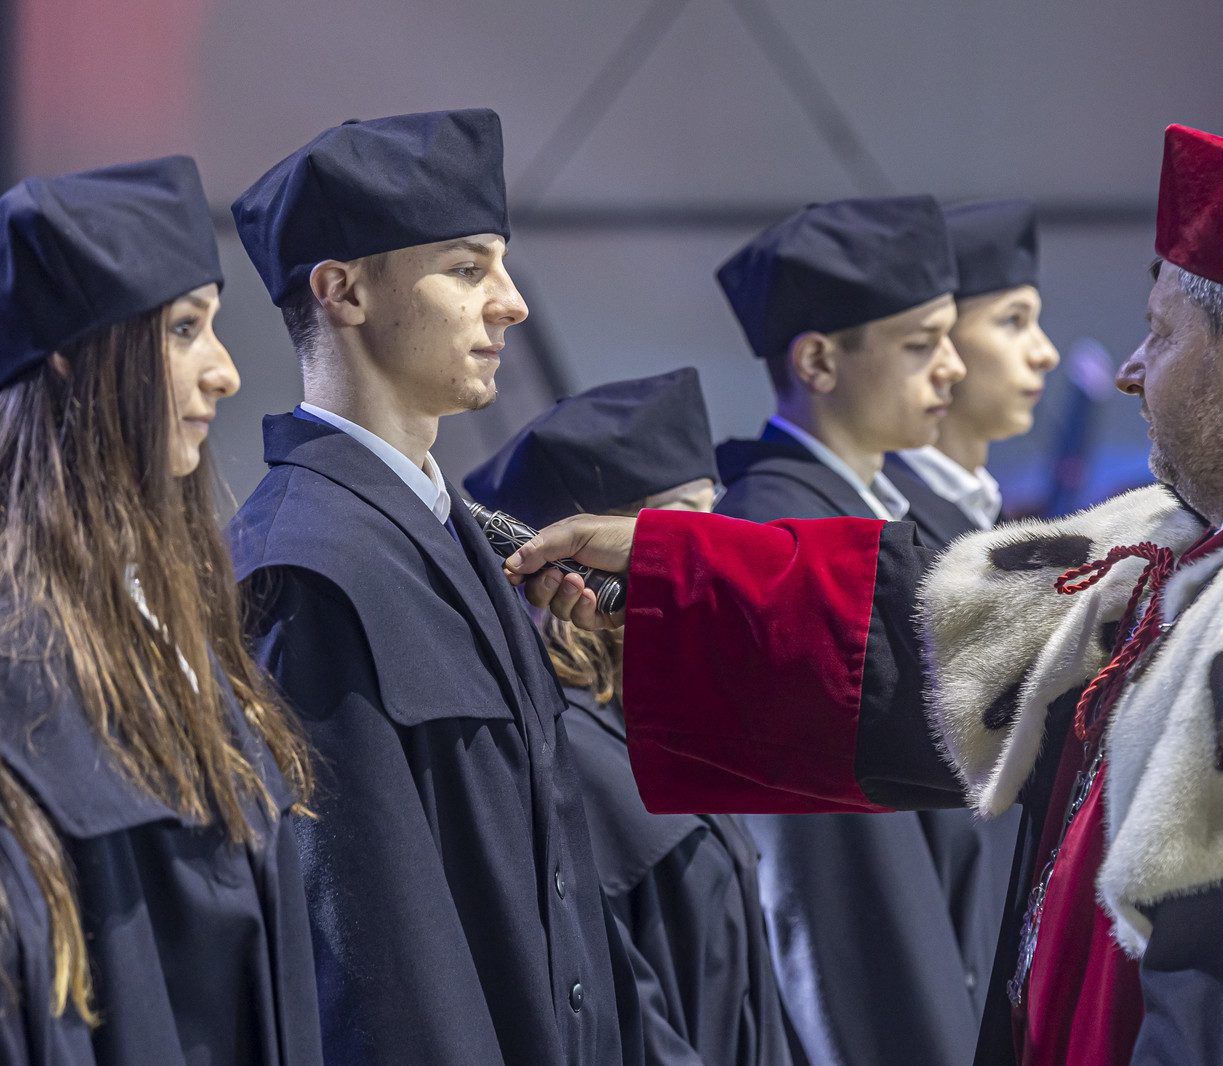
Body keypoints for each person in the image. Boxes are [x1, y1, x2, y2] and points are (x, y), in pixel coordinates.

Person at [510, 123, 1223, 1065]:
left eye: (1161, 334)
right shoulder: (1205, 551)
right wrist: (668, 568)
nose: (1130, 370)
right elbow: (924, 634)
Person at [227, 109, 642, 1066]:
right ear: (343, 290)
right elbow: (377, 962)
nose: (511, 303)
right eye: (465, 268)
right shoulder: (308, 566)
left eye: (501, 266)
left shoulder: (450, 538)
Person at [0, 157, 320, 1063]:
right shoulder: (23, 665)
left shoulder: (174, 620)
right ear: (72, 353)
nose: (225, 371)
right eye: (183, 330)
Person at [712, 195, 1014, 1066]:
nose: (952, 368)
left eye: (951, 337)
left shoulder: (887, 521)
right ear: (817, 360)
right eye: (921, 343)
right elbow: (845, 901)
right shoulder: (778, 544)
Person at [466, 366, 793, 1066]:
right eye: (689, 525)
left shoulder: (661, 725)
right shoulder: (578, 759)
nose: (716, 552)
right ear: (590, 560)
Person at [885, 199, 1060, 547]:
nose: (1046, 355)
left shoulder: (985, 505)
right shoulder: (885, 514)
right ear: (935, 335)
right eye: (1013, 320)